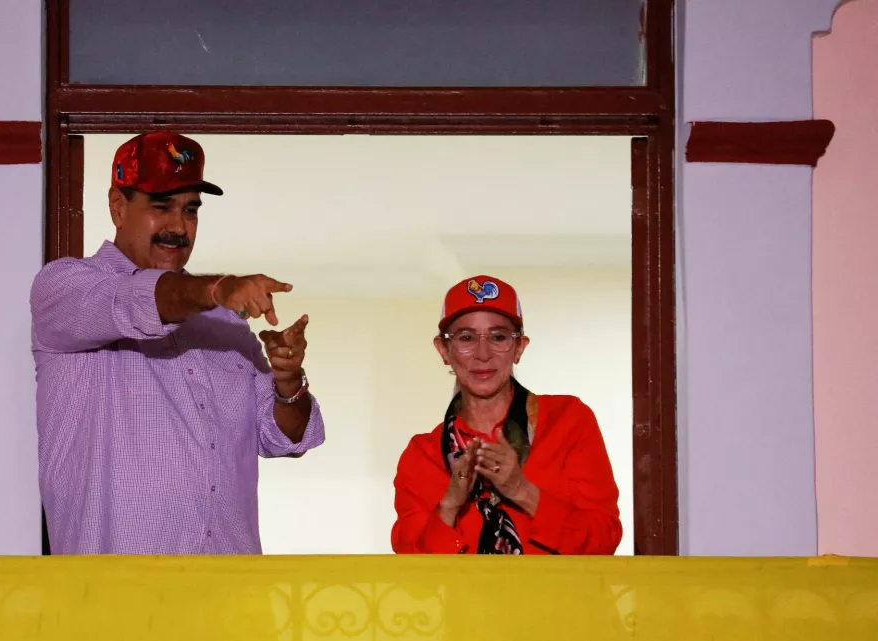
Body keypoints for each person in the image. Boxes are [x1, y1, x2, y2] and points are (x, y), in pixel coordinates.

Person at [30, 130, 325, 555]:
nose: (178, 227)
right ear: (117, 206)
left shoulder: (225, 323)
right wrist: (218, 289)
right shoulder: (67, 287)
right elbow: (134, 302)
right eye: (160, 207)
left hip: (229, 594)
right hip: (113, 597)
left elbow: (282, 438)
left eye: (190, 210)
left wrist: (288, 382)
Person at [391, 275, 621, 555]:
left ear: (519, 347)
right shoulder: (422, 455)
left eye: (499, 337)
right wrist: (450, 504)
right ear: (444, 351)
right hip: (464, 600)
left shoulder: (568, 420)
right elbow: (415, 583)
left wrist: (522, 490)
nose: (483, 354)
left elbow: (603, 542)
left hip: (562, 599)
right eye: (466, 338)